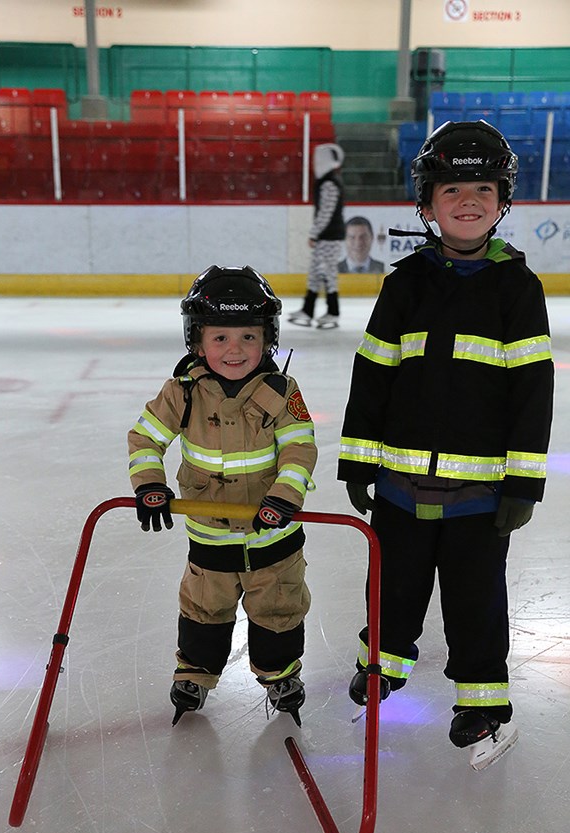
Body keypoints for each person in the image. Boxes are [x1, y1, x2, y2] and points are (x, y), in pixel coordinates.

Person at [337, 120, 554, 770]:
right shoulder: (404, 285)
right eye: (451, 187)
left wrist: (522, 484)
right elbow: (372, 375)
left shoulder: (518, 290)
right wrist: (358, 458)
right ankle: (383, 665)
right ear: (426, 203)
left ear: (503, 200)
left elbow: (533, 396)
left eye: (482, 188)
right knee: (392, 588)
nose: (467, 200)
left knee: (474, 601)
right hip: (400, 487)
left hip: (479, 499)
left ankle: (482, 701)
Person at [128, 265, 318, 727]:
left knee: (278, 610)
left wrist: (285, 496)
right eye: (220, 338)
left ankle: (280, 673)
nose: (235, 350)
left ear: (267, 339)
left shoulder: (281, 392)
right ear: (197, 341)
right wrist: (150, 483)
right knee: (203, 611)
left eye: (248, 338)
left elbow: (300, 447)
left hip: (273, 537)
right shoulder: (182, 393)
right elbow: (145, 439)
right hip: (210, 539)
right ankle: (194, 672)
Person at [289, 142, 345, 329]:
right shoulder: (328, 181)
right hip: (326, 236)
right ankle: (308, 309)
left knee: (328, 274)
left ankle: (333, 312)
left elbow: (325, 213)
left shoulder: (330, 183)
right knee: (315, 273)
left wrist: (314, 233)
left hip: (330, 236)